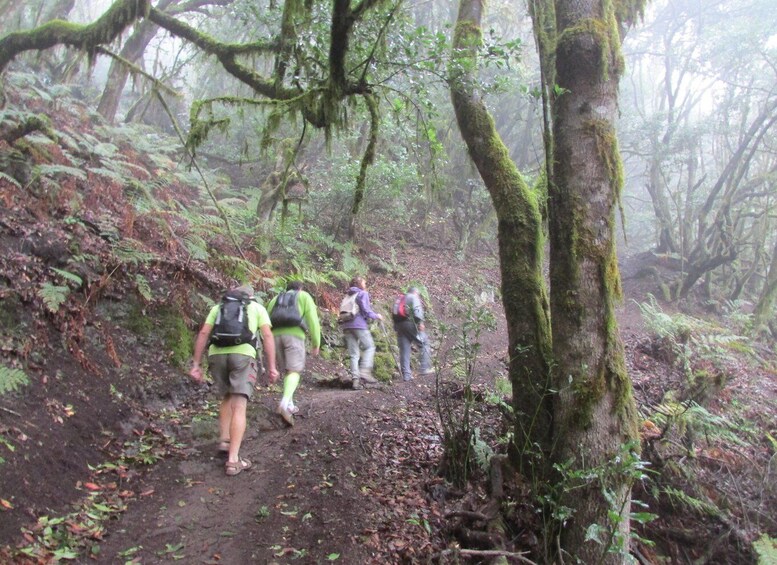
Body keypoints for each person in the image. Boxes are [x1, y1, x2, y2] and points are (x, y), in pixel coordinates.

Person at [190, 285, 278, 476]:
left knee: (226, 397)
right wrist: (272, 367)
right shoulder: (256, 308)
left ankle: (224, 440)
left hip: (216, 355)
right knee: (239, 404)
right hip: (243, 354)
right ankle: (233, 460)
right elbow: (268, 336)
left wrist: (196, 364)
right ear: (251, 296)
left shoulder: (218, 308)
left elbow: (204, 333)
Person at [267, 280, 321, 426]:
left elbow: (266, 320)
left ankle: (290, 404)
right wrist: (316, 342)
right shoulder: (303, 296)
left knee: (287, 371)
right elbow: (313, 320)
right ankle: (284, 404)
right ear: (300, 288)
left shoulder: (275, 299)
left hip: (275, 337)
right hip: (294, 336)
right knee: (294, 371)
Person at [339, 276, 383, 390]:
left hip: (346, 325)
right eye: (364, 282)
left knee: (354, 354)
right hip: (358, 325)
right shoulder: (362, 293)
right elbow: (366, 310)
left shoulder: (348, 294)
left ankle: (355, 381)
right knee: (370, 347)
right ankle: (365, 371)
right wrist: (376, 316)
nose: (365, 283)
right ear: (360, 284)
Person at [393, 286, 433, 381]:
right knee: (424, 343)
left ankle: (406, 376)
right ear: (415, 292)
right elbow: (417, 311)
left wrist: (396, 327)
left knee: (404, 350)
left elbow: (394, 313)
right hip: (410, 324)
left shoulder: (399, 299)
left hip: (399, 326)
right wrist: (420, 322)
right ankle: (424, 368)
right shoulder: (413, 297)